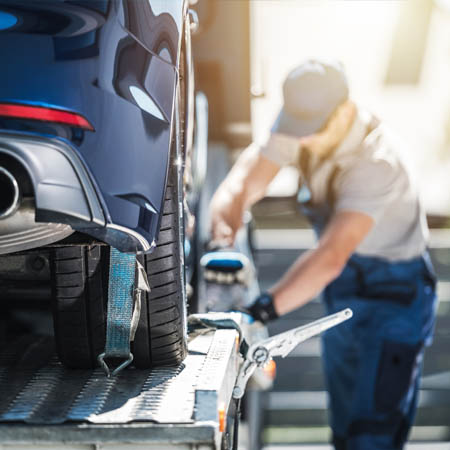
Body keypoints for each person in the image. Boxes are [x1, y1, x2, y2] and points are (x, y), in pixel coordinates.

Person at [209, 59, 438, 450]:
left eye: (312, 131)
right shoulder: (302, 122)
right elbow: (246, 180)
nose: (303, 142)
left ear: (345, 111)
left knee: (372, 435)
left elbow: (330, 255)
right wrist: (226, 223)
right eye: (297, 131)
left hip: (393, 297)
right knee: (346, 426)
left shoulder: (377, 163)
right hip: (345, 286)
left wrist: (259, 312)